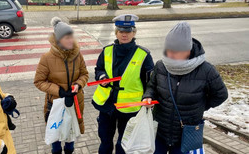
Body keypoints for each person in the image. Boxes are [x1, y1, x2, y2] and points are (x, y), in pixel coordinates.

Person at [143, 22, 228, 154]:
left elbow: (221, 95)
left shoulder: (206, 70)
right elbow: (152, 86)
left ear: (188, 50)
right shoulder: (161, 65)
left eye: (175, 52)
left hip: (186, 133)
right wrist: (148, 96)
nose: (169, 55)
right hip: (160, 129)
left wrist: (201, 106)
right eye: (168, 50)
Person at [93, 14, 154, 154]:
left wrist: (148, 97)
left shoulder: (143, 54)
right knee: (105, 140)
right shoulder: (107, 50)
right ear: (116, 32)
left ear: (134, 32)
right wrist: (101, 77)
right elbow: (99, 69)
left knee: (124, 142)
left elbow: (151, 82)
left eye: (128, 31)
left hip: (129, 107)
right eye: (121, 31)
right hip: (106, 104)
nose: (124, 35)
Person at [34, 17, 89, 154]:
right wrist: (59, 91)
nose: (71, 40)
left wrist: (78, 85)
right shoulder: (46, 58)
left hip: (75, 102)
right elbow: (39, 82)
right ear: (58, 40)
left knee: (70, 134)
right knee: (56, 137)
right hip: (55, 104)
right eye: (66, 37)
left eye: (71, 37)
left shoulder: (78, 55)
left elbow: (85, 74)